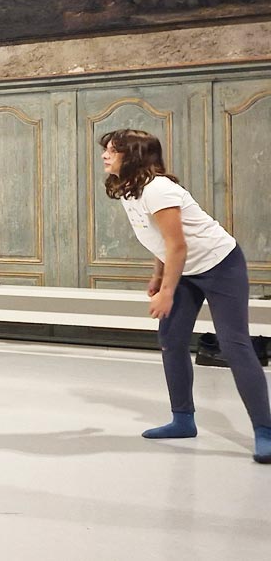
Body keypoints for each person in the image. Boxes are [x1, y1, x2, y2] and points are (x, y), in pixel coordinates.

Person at [101, 129, 270, 463]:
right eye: (105, 149)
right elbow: (160, 240)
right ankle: (183, 420)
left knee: (234, 344)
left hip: (221, 265)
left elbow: (177, 245)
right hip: (185, 269)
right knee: (171, 339)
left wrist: (167, 292)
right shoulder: (128, 188)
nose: (105, 155)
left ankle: (265, 430)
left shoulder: (158, 189)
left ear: (133, 155)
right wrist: (158, 276)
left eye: (112, 150)